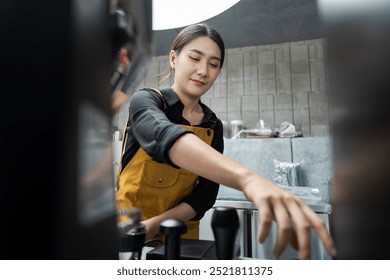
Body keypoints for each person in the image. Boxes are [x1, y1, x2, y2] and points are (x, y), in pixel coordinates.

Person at [116, 23, 336, 259]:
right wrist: (248, 179)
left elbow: (205, 195)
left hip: (182, 232)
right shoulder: (146, 101)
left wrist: (157, 225)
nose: (203, 71)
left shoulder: (213, 125)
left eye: (213, 64)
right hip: (128, 228)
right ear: (173, 59)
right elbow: (166, 136)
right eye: (194, 58)